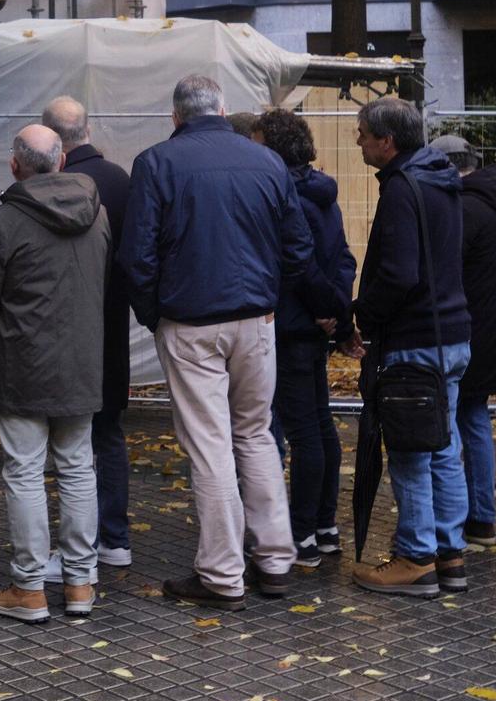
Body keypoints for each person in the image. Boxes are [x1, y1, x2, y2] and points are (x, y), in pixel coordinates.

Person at [118, 76, 334, 609]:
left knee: (211, 446)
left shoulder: (156, 163)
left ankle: (221, 573)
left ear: (176, 118)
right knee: (256, 436)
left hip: (190, 320)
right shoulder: (267, 163)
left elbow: (136, 256)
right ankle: (276, 560)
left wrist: (154, 315)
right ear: (222, 108)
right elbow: (298, 249)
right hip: (257, 320)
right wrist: (266, 294)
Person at [0, 125, 109, 623]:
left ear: (15, 166)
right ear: (63, 161)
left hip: (23, 363)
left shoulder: (3, 222)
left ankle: (29, 588)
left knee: (25, 472)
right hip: (81, 362)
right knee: (77, 471)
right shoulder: (99, 216)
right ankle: (80, 584)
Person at [350, 98, 473, 599]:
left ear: (387, 141)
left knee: (409, 452)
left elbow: (399, 274)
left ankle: (415, 557)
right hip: (451, 333)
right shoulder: (442, 180)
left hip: (416, 340)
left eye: (362, 133)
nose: (357, 139)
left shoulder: (402, 189)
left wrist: (363, 313)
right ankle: (451, 553)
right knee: (443, 446)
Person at [254, 108, 356, 568]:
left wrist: (322, 311)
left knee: (303, 431)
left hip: (294, 325)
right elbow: (342, 258)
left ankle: (302, 536)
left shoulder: (286, 196)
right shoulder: (322, 192)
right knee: (319, 423)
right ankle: (325, 526)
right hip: (313, 322)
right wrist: (337, 311)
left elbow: (298, 263)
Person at [42, 96, 134, 572]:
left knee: (71, 437)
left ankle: (77, 543)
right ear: (89, 129)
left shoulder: (49, 186)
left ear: (52, 137)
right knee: (110, 431)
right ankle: (114, 537)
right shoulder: (120, 180)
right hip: (113, 321)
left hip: (64, 326)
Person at [430, 134, 496, 547]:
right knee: (475, 417)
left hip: (465, 325)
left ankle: (464, 514)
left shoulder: (463, 207)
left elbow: (445, 266)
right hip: (492, 322)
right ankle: (481, 516)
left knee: (459, 419)